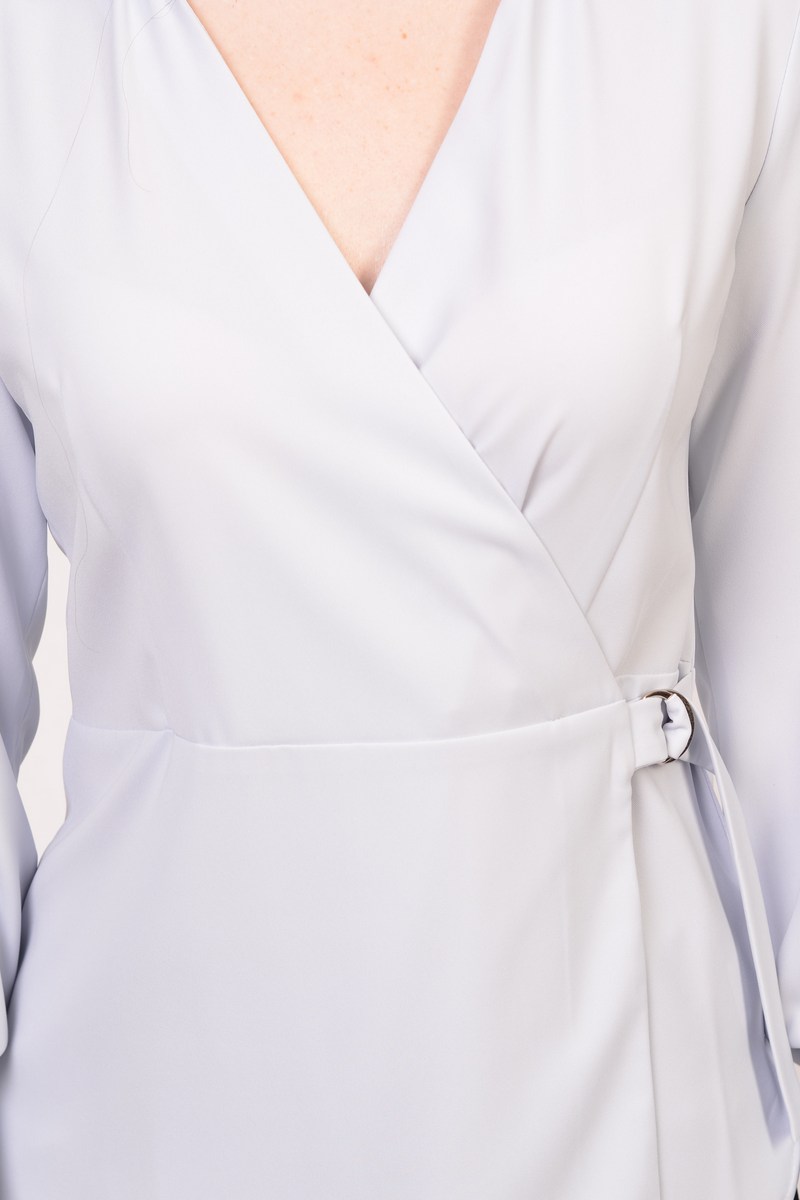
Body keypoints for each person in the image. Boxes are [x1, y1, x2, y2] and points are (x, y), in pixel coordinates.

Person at [0, 0, 799, 1196]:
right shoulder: (28, 51)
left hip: (630, 1084)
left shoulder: (723, 30)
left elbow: (778, 618)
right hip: (150, 1102)